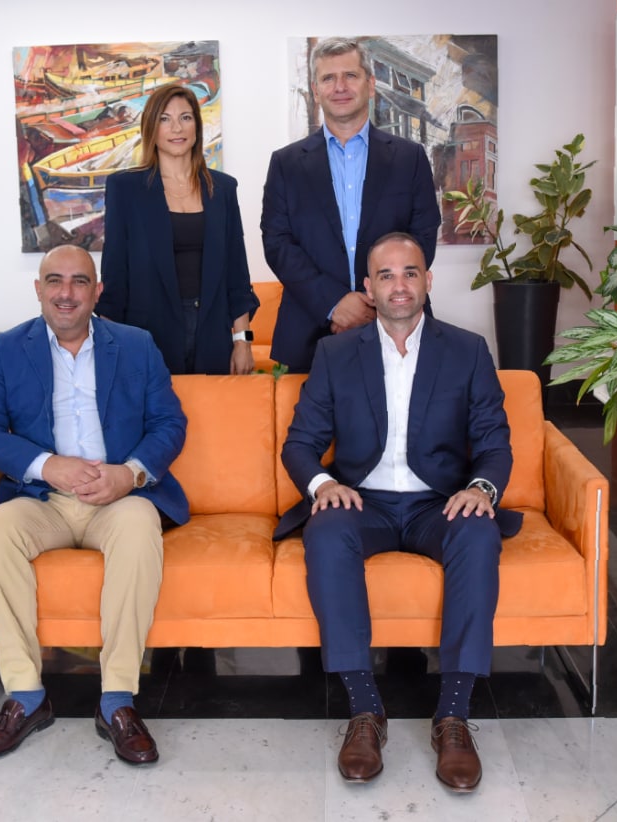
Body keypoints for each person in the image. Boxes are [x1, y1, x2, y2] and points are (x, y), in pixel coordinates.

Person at [274, 232, 522, 792]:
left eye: (410, 272)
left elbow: (494, 442)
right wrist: (322, 485)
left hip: (440, 503)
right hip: (365, 502)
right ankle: (365, 711)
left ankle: (453, 717)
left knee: (479, 532)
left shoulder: (467, 350)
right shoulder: (336, 354)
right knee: (325, 529)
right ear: (369, 287)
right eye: (386, 275)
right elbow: (300, 443)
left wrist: (481, 489)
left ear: (428, 281)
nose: (399, 285)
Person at [0, 244, 188, 764]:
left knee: (139, 526)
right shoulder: (6, 349)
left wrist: (128, 474)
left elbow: (169, 423)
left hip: (118, 498)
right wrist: (47, 465)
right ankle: (25, 696)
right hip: (42, 499)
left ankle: (117, 700)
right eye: (55, 281)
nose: (66, 293)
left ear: (97, 291)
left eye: (79, 281)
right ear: (38, 288)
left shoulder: (135, 345)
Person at [260, 37, 441, 373]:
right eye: (328, 78)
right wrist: (335, 303)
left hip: (397, 326)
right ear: (316, 91)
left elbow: (422, 238)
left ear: (370, 85)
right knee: (310, 412)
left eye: (350, 76)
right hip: (309, 333)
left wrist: (373, 303)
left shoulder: (409, 158)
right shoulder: (286, 164)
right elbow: (277, 243)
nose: (339, 87)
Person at [99, 82, 259, 375]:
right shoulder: (125, 188)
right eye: (165, 119)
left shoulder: (223, 188)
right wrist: (111, 350)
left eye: (185, 117)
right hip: (147, 334)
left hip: (212, 333)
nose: (177, 128)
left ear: (196, 126)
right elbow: (114, 279)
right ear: (151, 127)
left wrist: (243, 341)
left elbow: (237, 275)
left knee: (212, 406)